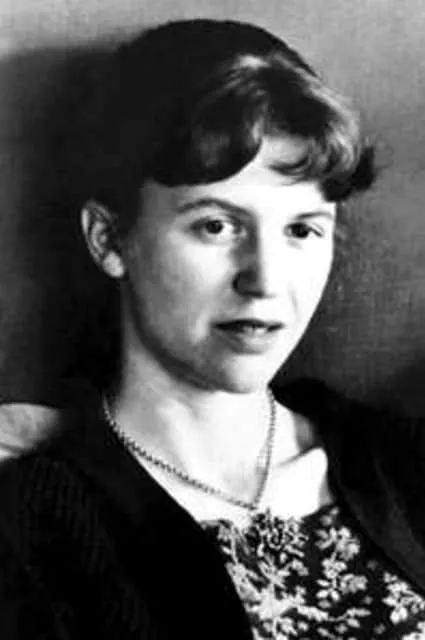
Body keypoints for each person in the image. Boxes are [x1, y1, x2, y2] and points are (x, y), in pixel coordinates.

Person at [0, 17, 424, 639]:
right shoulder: (36, 527)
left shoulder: (402, 461)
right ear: (109, 238)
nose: (266, 280)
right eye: (216, 226)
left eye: (302, 229)